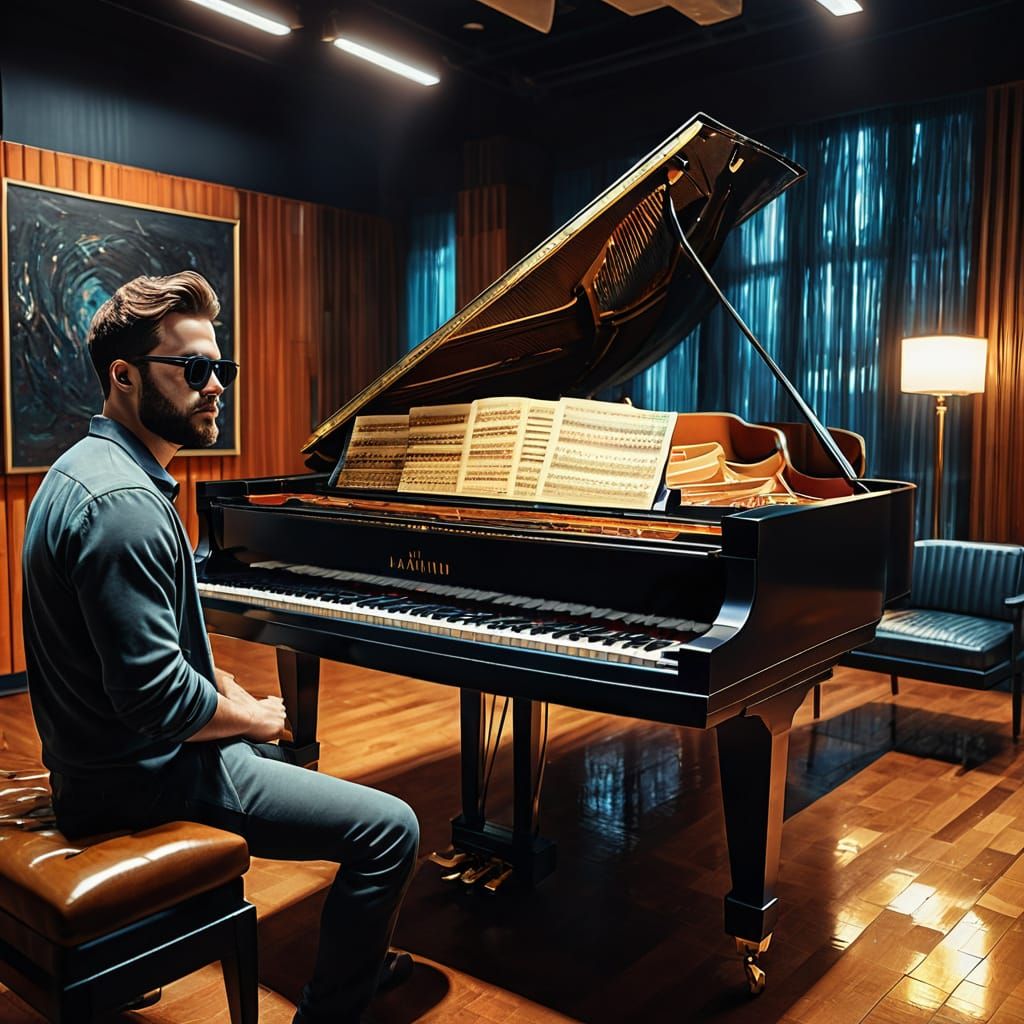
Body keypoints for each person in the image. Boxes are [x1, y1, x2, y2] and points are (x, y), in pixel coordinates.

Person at [22, 270, 420, 1024]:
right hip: (136, 779)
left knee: (285, 753)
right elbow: (155, 700)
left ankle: (354, 946)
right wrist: (257, 719)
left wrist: (231, 699)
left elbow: (153, 665)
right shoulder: (127, 508)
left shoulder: (82, 470)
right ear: (124, 375)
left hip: (96, 755)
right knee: (391, 828)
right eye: (196, 370)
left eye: (221, 370)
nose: (216, 388)